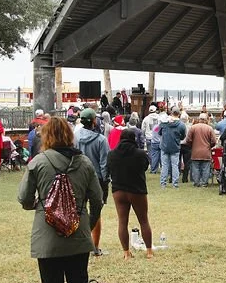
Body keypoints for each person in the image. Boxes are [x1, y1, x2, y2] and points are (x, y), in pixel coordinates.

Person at [17, 116, 104, 283]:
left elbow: (24, 198)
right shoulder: (84, 162)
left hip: (47, 235)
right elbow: (97, 199)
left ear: (46, 137)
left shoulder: (38, 162)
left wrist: (40, 205)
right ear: (69, 135)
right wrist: (88, 223)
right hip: (78, 233)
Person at [107, 129, 152, 259]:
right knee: (143, 220)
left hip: (118, 190)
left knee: (122, 222)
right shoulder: (140, 153)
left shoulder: (112, 154)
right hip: (137, 190)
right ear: (133, 139)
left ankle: (126, 253)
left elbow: (108, 168)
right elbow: (145, 166)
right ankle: (149, 251)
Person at [76, 108, 110, 254]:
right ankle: (94, 247)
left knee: (79, 210)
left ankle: (79, 242)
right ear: (94, 121)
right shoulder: (101, 140)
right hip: (97, 179)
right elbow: (104, 163)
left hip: (78, 178)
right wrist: (105, 180)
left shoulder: (74, 137)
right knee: (96, 212)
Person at [184, 113, 217, 187]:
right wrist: (209, 146)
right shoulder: (209, 128)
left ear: (199, 119)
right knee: (205, 168)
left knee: (195, 168)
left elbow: (188, 140)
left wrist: (192, 146)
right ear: (206, 120)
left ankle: (196, 182)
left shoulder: (193, 128)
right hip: (206, 151)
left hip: (195, 151)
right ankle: (204, 183)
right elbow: (214, 141)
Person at [157, 108, 187, 188]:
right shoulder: (181, 125)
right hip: (175, 146)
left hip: (164, 146)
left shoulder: (164, 122)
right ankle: (175, 184)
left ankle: (163, 183)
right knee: (175, 166)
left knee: (164, 165)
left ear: (171, 113)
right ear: (179, 114)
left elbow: (159, 132)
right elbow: (183, 136)